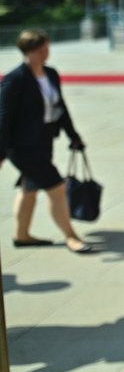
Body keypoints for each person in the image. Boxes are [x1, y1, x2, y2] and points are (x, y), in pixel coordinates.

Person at [0, 29, 93, 254]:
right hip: (21, 147)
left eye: (47, 49)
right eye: (39, 50)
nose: (45, 54)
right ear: (27, 52)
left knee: (29, 189)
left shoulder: (50, 74)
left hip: (43, 141)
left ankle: (22, 236)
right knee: (57, 188)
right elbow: (3, 117)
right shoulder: (15, 79)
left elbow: (60, 108)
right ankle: (71, 236)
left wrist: (73, 135)